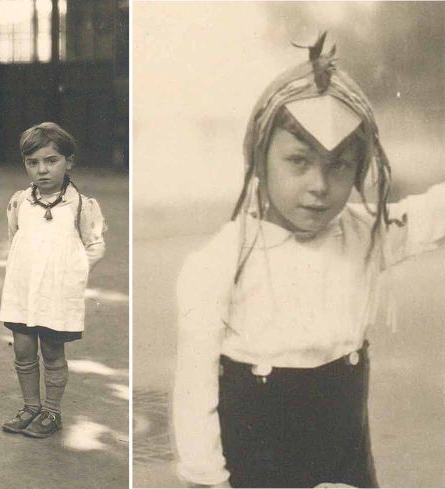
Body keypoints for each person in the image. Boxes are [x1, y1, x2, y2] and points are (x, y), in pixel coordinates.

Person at [172, 33, 445, 488]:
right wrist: (207, 480)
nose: (320, 185)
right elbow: (194, 391)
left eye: (339, 166)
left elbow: (429, 216)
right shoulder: (220, 261)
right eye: (298, 162)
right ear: (260, 159)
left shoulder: (362, 233)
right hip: (258, 463)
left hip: (345, 457)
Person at [0, 122, 107, 439]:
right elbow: (15, 239)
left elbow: (95, 245)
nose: (42, 170)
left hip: (56, 294)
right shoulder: (20, 202)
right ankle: (30, 407)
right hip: (23, 290)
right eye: (33, 163)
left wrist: (73, 272)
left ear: (68, 161)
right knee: (22, 348)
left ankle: (52, 412)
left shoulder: (82, 205)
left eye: (51, 160)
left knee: (53, 350)